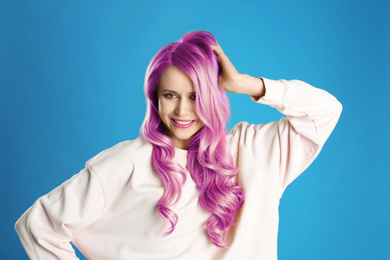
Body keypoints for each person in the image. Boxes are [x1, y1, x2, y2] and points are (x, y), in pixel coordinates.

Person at [15, 31, 342, 260]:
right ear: (155, 98)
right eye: (170, 95)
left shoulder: (255, 150)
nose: (183, 111)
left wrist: (246, 84)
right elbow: (38, 225)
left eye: (196, 96)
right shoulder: (129, 160)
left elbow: (326, 110)